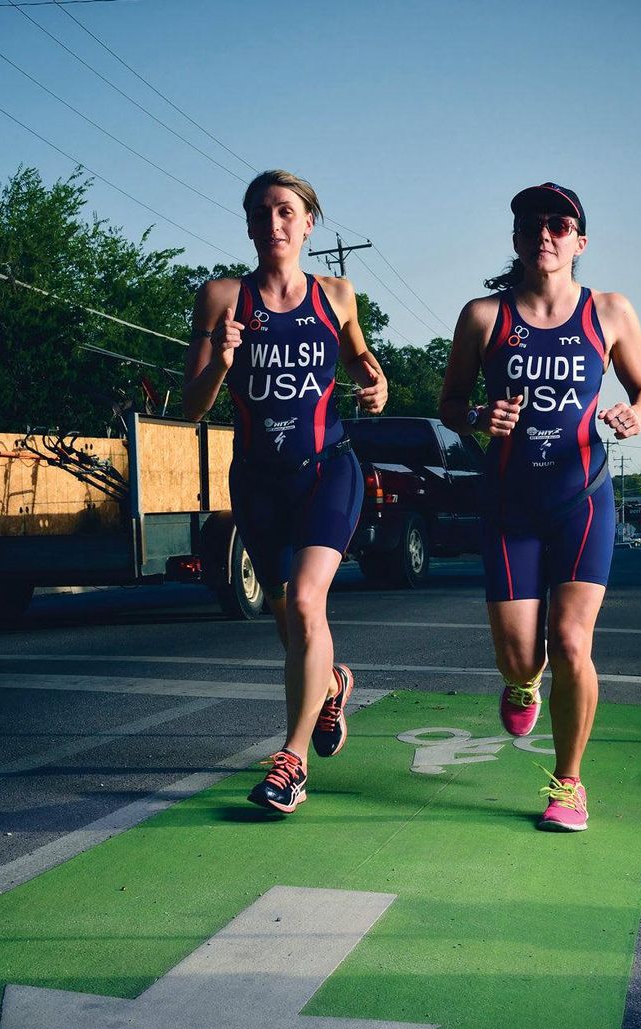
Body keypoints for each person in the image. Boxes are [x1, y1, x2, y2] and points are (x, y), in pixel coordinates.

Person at [440, 182, 641, 831]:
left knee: (571, 640)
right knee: (519, 656)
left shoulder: (610, 311)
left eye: (560, 224)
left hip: (582, 500)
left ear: (579, 241)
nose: (546, 232)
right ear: (516, 238)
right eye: (533, 223)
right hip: (509, 506)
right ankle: (520, 682)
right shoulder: (484, 317)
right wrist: (480, 415)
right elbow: (452, 404)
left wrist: (634, 414)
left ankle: (568, 783)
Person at [183, 169, 387, 814]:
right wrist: (220, 359)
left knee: (305, 601)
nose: (274, 223)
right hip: (258, 480)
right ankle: (329, 685)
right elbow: (190, 408)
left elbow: (359, 359)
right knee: (286, 613)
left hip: (329, 469)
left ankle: (291, 761)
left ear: (307, 224)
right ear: (248, 225)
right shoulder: (220, 298)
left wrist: (376, 383)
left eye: (286, 212)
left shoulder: (337, 294)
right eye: (261, 213)